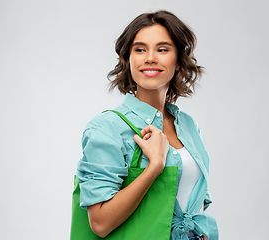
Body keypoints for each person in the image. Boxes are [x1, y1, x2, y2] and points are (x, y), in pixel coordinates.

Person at [76, 10, 218, 240]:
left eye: (162, 49)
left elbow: (195, 198)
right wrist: (154, 167)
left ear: (179, 62)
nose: (150, 57)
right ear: (128, 60)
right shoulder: (107, 128)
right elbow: (100, 223)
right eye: (140, 49)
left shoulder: (190, 126)